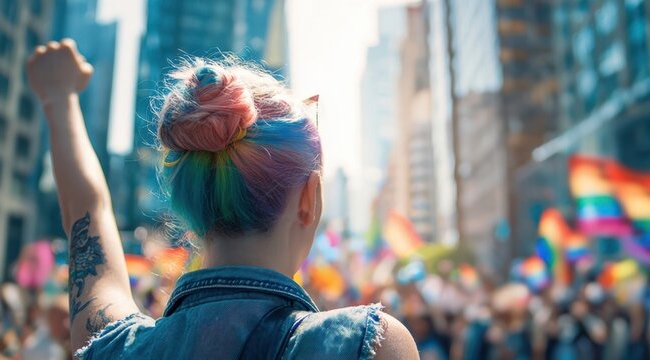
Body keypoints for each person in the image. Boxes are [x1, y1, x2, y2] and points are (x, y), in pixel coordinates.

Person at [26, 39, 419, 359]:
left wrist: (58, 99)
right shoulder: (371, 344)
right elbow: (87, 210)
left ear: (189, 200)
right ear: (308, 199)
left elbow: (86, 212)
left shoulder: (114, 347)